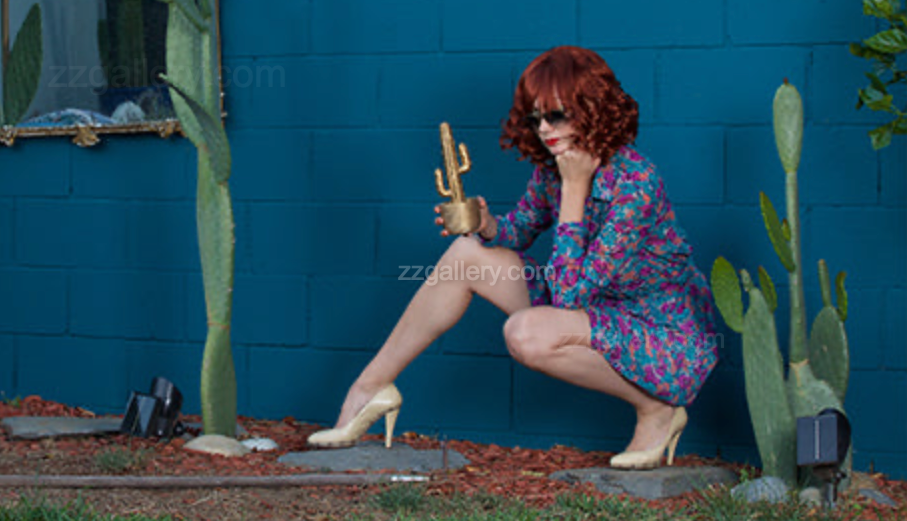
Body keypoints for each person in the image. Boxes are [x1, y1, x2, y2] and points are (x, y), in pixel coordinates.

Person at [308, 45, 720, 470]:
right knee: (465, 253)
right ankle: (371, 387)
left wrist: (575, 191)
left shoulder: (636, 183)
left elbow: (567, 297)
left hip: (661, 331)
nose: (543, 128)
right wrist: (486, 224)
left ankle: (657, 409)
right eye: (535, 117)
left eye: (555, 115)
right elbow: (520, 230)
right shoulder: (555, 168)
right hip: (597, 309)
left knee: (526, 333)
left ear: (591, 107)